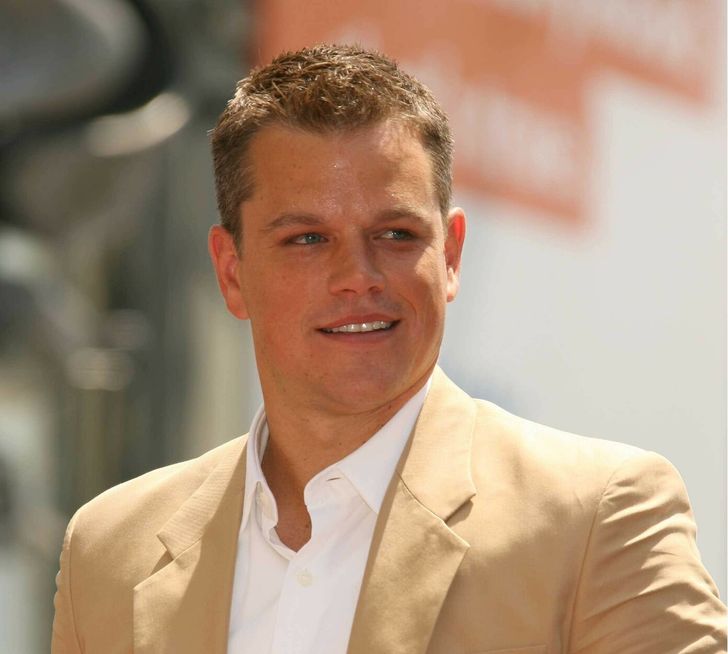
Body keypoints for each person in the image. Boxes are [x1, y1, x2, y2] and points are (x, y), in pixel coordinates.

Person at [52, 44, 726, 654]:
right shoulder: (109, 550)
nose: (358, 276)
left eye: (396, 234)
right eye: (307, 239)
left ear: (450, 255)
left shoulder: (599, 517)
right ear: (232, 273)